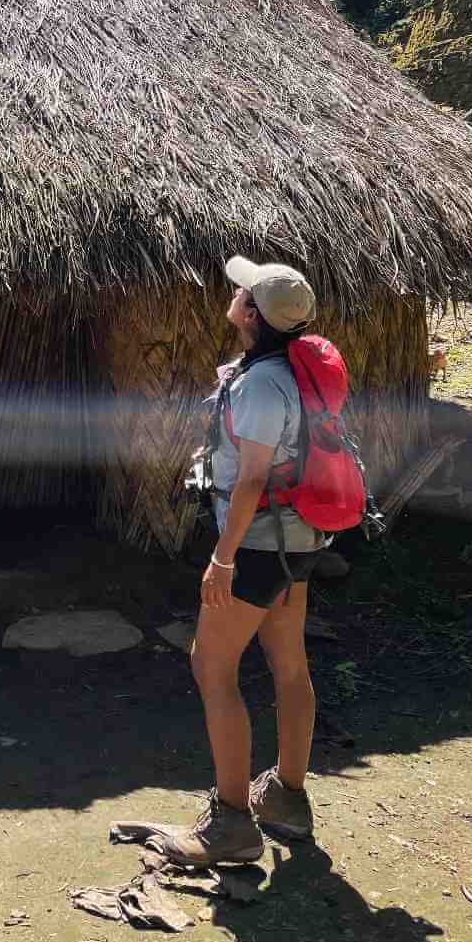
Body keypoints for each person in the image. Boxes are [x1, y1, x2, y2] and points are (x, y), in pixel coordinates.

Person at [159, 256, 325, 866]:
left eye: (242, 291)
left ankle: (230, 824)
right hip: (299, 539)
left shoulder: (260, 384)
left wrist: (222, 560)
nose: (233, 292)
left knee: (212, 665)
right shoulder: (296, 372)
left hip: (257, 543)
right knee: (288, 663)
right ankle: (286, 798)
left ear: (253, 314)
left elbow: (253, 477)